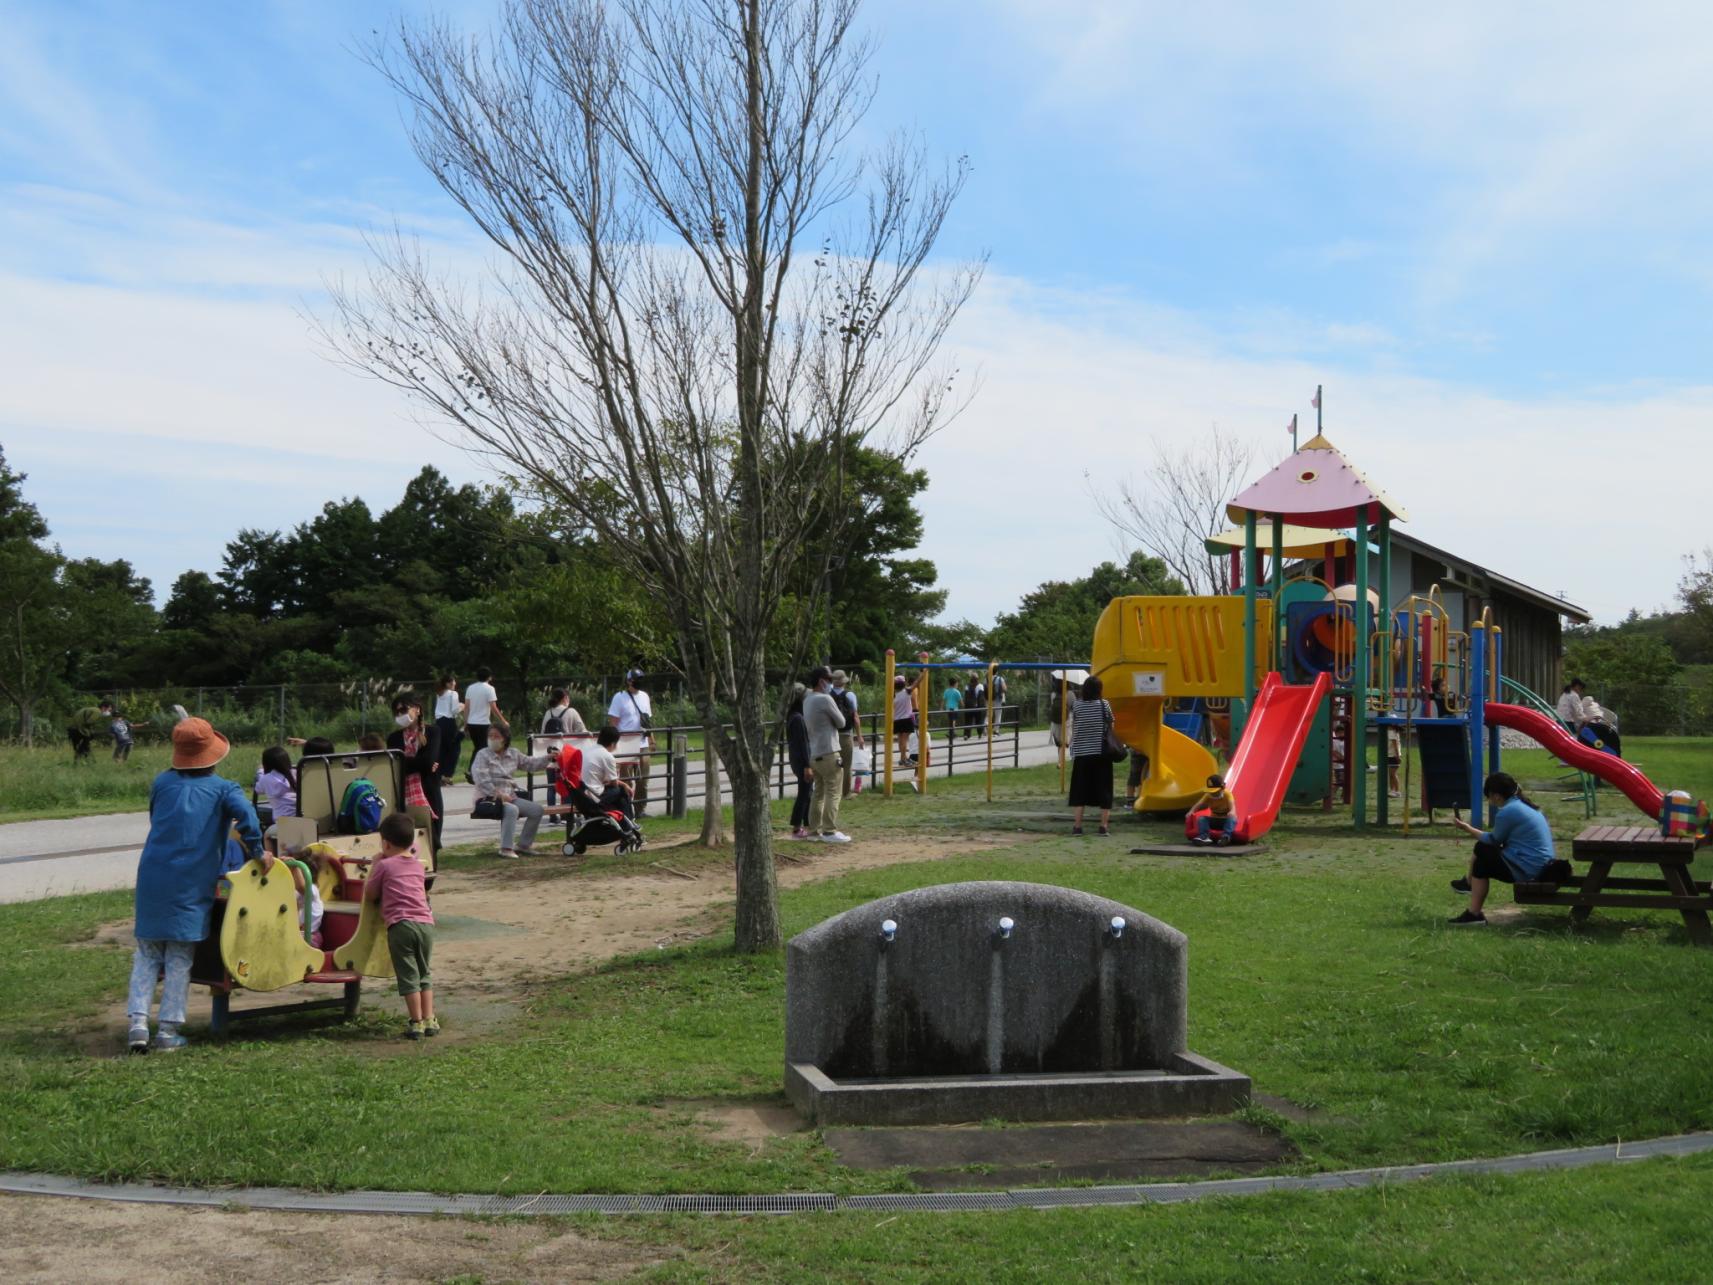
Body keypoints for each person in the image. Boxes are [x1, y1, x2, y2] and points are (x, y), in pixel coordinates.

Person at [126, 717, 262, 1053]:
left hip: (153, 877)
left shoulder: (162, 783)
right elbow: (248, 818)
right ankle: (168, 1032)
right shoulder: (224, 789)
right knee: (179, 956)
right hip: (190, 883)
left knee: (147, 953)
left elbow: (157, 818)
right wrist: (259, 851)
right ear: (214, 755)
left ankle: (138, 1024)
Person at [1448, 772, 1568, 925]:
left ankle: (1473, 907)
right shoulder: (1523, 805)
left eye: (1488, 797)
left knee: (1482, 855)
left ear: (1496, 795)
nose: (1489, 800)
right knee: (1483, 853)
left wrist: (1467, 828)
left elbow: (1493, 840)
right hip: (1539, 865)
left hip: (1530, 870)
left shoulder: (1508, 811)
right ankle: (1470, 894)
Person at [363, 811, 438, 1039]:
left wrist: (374, 866)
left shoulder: (384, 867)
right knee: (424, 972)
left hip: (401, 925)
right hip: (426, 924)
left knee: (408, 975)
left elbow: (371, 893)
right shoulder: (417, 866)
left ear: (385, 844)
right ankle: (430, 1019)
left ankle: (415, 1022)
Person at [470, 726, 568, 858]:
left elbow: (531, 763)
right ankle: (506, 848)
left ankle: (523, 845)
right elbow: (481, 779)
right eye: (490, 736)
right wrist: (498, 794)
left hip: (510, 797)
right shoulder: (482, 754)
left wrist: (549, 757)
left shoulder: (513, 753)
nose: (492, 739)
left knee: (537, 810)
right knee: (512, 810)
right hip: (488, 798)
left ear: (505, 739)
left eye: (496, 736)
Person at [388, 694, 444, 851]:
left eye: (404, 710)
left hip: (428, 794)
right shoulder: (394, 738)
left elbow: (426, 762)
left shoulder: (432, 732)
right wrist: (420, 763)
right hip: (402, 796)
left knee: (431, 841)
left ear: (417, 709)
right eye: (397, 712)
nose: (401, 715)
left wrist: (407, 762)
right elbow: (396, 765)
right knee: (407, 840)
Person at [804, 666, 849, 843]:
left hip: (814, 753)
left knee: (818, 793)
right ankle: (830, 831)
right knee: (833, 791)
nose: (831, 683)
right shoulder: (825, 699)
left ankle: (813, 831)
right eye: (829, 680)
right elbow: (841, 722)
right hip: (829, 751)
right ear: (821, 681)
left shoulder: (807, 699)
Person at [1067, 676, 1116, 836]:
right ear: (1099, 690)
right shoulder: (1104, 704)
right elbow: (1111, 724)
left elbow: (1075, 724)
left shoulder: (1077, 705)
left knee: (1080, 790)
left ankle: (1077, 826)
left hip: (1081, 754)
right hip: (1101, 753)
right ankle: (1103, 826)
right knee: (1104, 789)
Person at [606, 674, 654, 807]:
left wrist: (651, 739)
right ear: (628, 681)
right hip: (625, 743)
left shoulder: (644, 696)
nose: (639, 682)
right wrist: (612, 743)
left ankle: (640, 809)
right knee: (626, 779)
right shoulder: (619, 697)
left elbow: (647, 721)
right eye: (636, 679)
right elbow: (613, 722)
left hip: (642, 742)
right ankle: (625, 807)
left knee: (643, 779)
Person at [584, 725, 635, 818]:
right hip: (595, 796)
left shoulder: (587, 750)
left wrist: (620, 784)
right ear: (613, 744)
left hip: (582, 794)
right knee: (622, 792)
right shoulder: (607, 756)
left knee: (619, 793)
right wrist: (624, 785)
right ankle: (629, 823)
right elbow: (614, 784)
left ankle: (625, 823)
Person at [830, 669, 865, 798]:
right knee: (846, 765)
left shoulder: (827, 695)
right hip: (845, 734)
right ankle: (845, 793)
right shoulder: (850, 695)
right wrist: (859, 736)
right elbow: (855, 717)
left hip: (831, 735)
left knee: (832, 765)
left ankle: (832, 792)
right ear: (844, 681)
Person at [785, 685, 813, 840]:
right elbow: (803, 743)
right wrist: (808, 765)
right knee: (804, 793)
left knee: (808, 793)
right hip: (802, 762)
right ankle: (797, 827)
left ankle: (808, 823)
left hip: (798, 760)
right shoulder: (797, 718)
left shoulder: (793, 716)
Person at [464, 669, 504, 763]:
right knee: (483, 748)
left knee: (478, 747)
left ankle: (474, 769)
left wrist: (465, 723)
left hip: (471, 723)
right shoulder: (490, 689)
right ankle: (475, 770)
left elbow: (467, 707)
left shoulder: (470, 688)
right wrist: (503, 720)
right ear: (489, 677)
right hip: (483, 723)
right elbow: (493, 707)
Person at [433, 675, 464, 786]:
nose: (455, 684)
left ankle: (439, 775)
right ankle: (448, 775)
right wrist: (462, 706)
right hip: (449, 723)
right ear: (448, 684)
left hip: (439, 723)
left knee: (442, 750)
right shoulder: (453, 694)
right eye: (453, 682)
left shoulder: (439, 694)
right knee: (454, 749)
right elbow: (455, 710)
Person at [1189, 774, 1236, 845]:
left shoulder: (1227, 794)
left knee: (1232, 819)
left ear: (1222, 788)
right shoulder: (1208, 795)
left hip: (1225, 821)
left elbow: (1232, 806)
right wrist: (1191, 811)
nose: (1213, 794)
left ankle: (1226, 837)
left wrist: (1232, 811)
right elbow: (1199, 804)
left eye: (1215, 792)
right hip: (1214, 820)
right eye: (1211, 791)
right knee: (1202, 819)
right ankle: (1204, 837)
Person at [254, 745, 299, 821]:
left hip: (282, 823)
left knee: (267, 832)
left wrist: (260, 771)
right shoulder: (296, 773)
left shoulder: (267, 779)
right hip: (302, 819)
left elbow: (258, 789)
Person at [100, 698, 146, 763]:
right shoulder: (125, 721)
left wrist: (115, 736)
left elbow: (110, 733)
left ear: (113, 717)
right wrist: (143, 724)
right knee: (125, 757)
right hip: (130, 741)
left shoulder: (112, 724)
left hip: (121, 742)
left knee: (115, 757)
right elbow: (133, 726)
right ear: (121, 716)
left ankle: (119, 767)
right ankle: (124, 764)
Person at [892, 675, 917, 766]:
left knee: (900, 740)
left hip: (897, 720)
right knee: (904, 740)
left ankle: (903, 758)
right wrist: (924, 672)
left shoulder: (893, 694)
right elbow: (916, 682)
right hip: (906, 719)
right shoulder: (907, 692)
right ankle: (903, 759)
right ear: (904, 683)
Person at [964, 674, 985, 739]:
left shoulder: (967, 686)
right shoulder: (980, 686)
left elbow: (966, 696)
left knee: (968, 721)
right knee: (979, 720)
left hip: (969, 706)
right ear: (977, 679)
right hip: (977, 706)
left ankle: (967, 734)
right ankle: (980, 734)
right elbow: (981, 697)